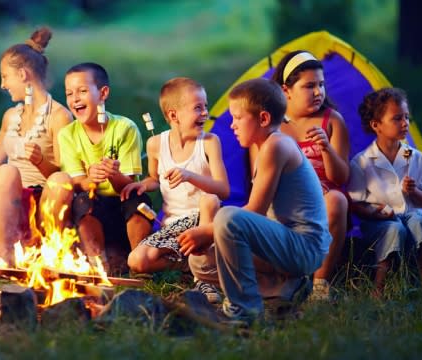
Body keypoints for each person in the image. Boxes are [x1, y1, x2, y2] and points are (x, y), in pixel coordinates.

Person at [180, 78, 332, 325]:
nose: (231, 125)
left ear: (262, 119)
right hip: (283, 246)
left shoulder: (277, 145)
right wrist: (210, 237)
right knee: (202, 261)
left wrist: (206, 231)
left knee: (227, 217)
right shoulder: (266, 148)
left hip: (304, 247)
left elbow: (255, 212)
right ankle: (282, 289)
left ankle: (244, 310)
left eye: (237, 118)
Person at [0, 27, 72, 265]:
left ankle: (50, 253)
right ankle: (6, 258)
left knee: (59, 181)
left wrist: (40, 161)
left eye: (5, 76)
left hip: (43, 208)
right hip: (5, 208)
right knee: (6, 171)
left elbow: (64, 177)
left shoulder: (59, 116)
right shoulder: (10, 115)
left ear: (23, 74)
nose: (2, 84)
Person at [122, 77, 229, 302]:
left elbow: (223, 190)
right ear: (173, 115)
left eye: (206, 107)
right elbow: (155, 178)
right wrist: (143, 185)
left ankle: (205, 280)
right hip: (172, 225)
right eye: (198, 108)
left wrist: (190, 176)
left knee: (209, 200)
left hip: (203, 220)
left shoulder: (209, 142)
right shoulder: (156, 145)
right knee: (137, 260)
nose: (205, 113)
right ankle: (188, 266)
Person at [55, 62, 153, 271]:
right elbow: (77, 183)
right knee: (82, 202)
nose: (75, 99)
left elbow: (128, 186)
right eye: (69, 93)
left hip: (122, 204)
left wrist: (113, 174)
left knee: (138, 200)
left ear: (103, 93)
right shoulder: (68, 134)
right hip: (93, 211)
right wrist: (91, 179)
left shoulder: (125, 128)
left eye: (82, 91)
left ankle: (140, 262)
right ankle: (99, 265)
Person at [269, 50, 350, 301]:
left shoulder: (332, 121)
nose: (318, 92)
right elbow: (259, 176)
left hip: (322, 200)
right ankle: (285, 280)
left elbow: (341, 178)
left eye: (322, 85)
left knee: (338, 200)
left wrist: (326, 148)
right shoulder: (270, 123)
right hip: (282, 201)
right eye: (310, 86)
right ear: (286, 90)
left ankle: (320, 285)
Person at [348, 88, 422, 297]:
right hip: (379, 223)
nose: (405, 123)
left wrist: (413, 192)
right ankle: (378, 289)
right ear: (376, 125)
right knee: (394, 228)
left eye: (406, 117)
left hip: (410, 217)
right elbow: (357, 204)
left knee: (419, 221)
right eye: (397, 118)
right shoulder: (362, 162)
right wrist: (375, 212)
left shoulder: (415, 157)